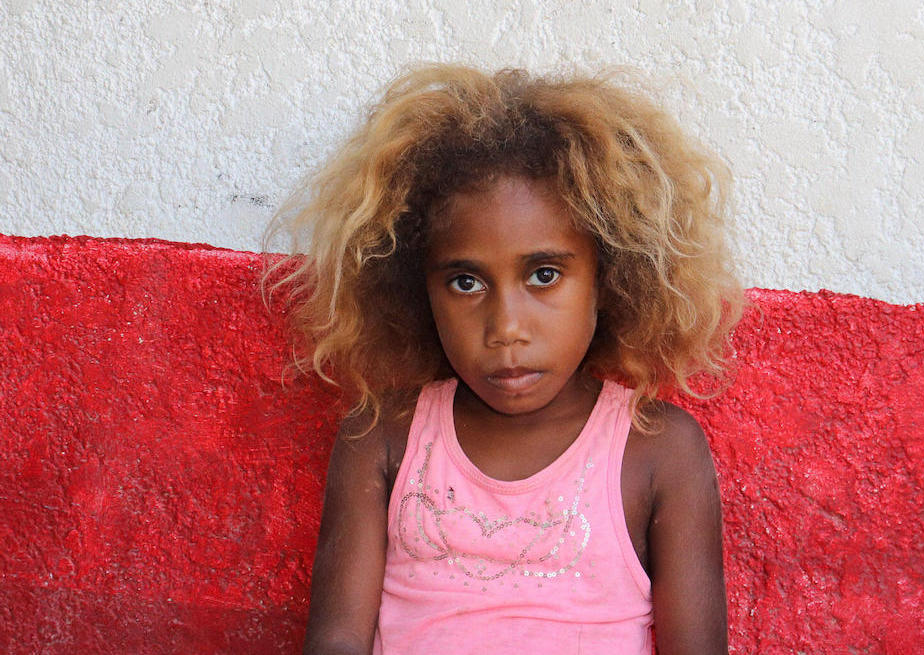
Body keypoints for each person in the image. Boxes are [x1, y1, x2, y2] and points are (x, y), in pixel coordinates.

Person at [262, 63, 743, 655]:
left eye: (544, 275)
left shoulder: (657, 449)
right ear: (417, 290)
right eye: (466, 282)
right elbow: (336, 639)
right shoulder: (384, 437)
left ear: (611, 278)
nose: (506, 328)